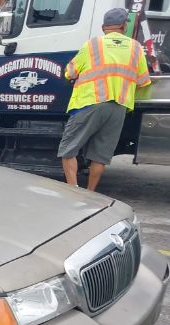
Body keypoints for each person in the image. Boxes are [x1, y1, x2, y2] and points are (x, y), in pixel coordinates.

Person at [57, 8, 152, 191]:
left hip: (89, 102)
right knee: (100, 156)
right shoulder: (135, 48)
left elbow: (70, 72)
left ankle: (74, 191)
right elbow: (142, 81)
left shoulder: (93, 45)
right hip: (118, 107)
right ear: (124, 26)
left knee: (69, 149)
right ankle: (91, 193)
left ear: (103, 27)